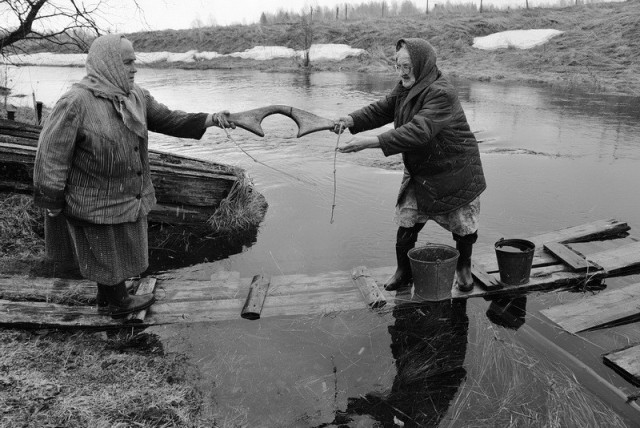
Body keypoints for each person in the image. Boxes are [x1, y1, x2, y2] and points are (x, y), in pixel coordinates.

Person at [33, 34, 234, 319]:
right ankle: (117, 302)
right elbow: (51, 155)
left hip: (127, 193)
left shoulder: (135, 95)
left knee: (116, 251)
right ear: (109, 63)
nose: (134, 68)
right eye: (127, 62)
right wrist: (51, 198)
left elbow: (168, 119)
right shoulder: (75, 102)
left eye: (134, 62)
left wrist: (211, 119)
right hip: (92, 198)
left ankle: (110, 297)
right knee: (104, 251)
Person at [333, 38, 486, 293]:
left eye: (407, 66)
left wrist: (370, 142)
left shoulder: (441, 92)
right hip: (421, 169)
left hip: (455, 169)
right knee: (407, 220)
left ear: (422, 65)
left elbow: (419, 131)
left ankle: (463, 268)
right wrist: (351, 120)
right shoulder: (406, 86)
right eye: (397, 65)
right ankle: (403, 272)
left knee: (463, 225)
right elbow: (383, 109)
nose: (401, 71)